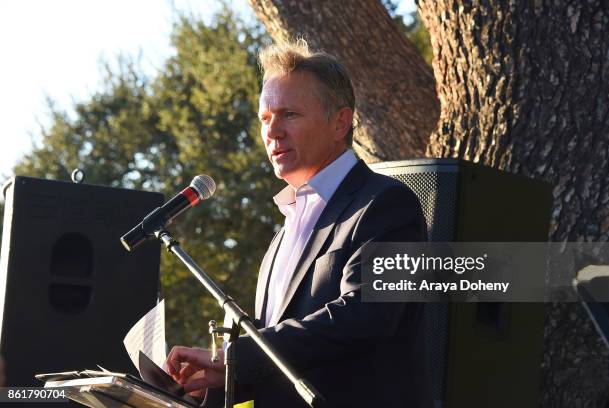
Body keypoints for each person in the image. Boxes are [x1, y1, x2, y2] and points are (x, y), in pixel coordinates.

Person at [165, 40, 429, 408]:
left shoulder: (387, 205)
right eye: (265, 117)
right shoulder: (282, 235)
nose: (272, 132)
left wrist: (236, 356)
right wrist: (212, 383)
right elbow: (279, 362)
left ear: (340, 122)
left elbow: (364, 318)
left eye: (289, 114)